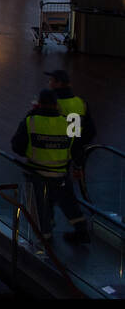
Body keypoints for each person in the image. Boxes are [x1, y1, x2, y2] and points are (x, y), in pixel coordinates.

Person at [10, 88, 90, 245]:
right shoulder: (68, 122)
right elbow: (77, 148)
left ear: (39, 104)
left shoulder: (30, 121)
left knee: (40, 208)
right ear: (56, 105)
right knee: (69, 203)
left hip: (36, 173)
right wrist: (77, 167)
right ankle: (81, 231)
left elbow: (16, 146)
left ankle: (45, 240)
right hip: (61, 174)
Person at [46, 69, 96, 149]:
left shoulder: (52, 103)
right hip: (75, 149)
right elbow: (91, 131)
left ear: (58, 84)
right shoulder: (81, 102)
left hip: (57, 150)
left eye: (51, 81)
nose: (49, 83)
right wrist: (77, 147)